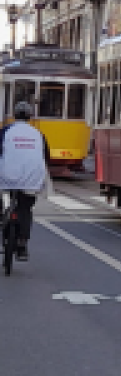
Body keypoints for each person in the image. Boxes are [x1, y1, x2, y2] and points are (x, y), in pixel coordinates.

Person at [0, 101, 50, 261]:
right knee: (25, 207)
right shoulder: (38, 134)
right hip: (31, 178)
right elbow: (46, 157)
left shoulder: (6, 131)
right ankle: (22, 243)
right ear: (30, 117)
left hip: (7, 176)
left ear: (14, 116)